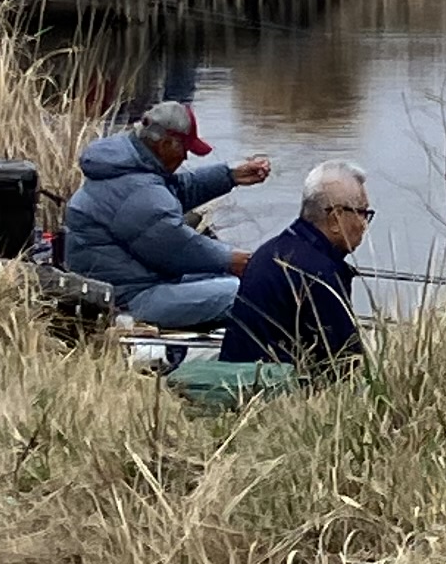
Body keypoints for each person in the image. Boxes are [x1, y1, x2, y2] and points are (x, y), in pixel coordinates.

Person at [58, 98, 275, 330]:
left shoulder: (127, 165)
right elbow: (178, 249)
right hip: (127, 300)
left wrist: (229, 176)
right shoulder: (138, 189)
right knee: (244, 291)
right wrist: (231, 260)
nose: (185, 158)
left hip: (133, 283)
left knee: (230, 282)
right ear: (165, 144)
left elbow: (172, 193)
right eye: (185, 149)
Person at [217, 160, 372, 371]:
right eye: (362, 213)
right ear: (335, 218)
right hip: (271, 386)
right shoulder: (319, 274)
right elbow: (345, 361)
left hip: (236, 376)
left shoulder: (272, 249)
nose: (364, 225)